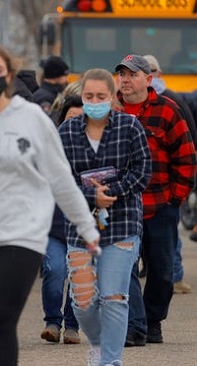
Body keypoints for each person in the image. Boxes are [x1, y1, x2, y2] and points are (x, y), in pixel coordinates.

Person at [0, 43, 100, 366]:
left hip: (22, 232)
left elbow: (60, 177)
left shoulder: (32, 118)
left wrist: (86, 225)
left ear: (9, 75)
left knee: (2, 319)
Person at [58, 68, 152, 366]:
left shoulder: (130, 127)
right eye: (89, 96)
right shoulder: (67, 132)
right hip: (80, 226)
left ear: (113, 97)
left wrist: (114, 190)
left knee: (114, 296)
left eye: (101, 96)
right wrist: (90, 197)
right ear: (81, 96)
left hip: (122, 222)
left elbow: (142, 170)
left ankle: (110, 360)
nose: (95, 101)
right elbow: (58, 179)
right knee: (83, 303)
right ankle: (99, 343)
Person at [115, 54, 196, 347]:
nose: (125, 80)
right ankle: (135, 324)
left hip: (159, 204)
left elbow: (186, 157)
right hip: (121, 207)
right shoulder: (110, 110)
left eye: (132, 75)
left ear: (148, 80)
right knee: (124, 268)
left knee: (162, 271)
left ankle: (153, 320)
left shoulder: (168, 110)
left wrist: (176, 198)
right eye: (121, 75)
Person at [143, 54, 196, 295]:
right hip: (138, 192)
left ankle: (174, 277)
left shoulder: (171, 100)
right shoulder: (124, 103)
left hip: (164, 191)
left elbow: (188, 142)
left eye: (152, 70)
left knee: (168, 241)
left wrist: (178, 193)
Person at [39, 95, 84, 346]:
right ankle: (53, 322)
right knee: (54, 271)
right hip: (54, 227)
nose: (75, 124)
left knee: (79, 277)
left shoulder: (96, 150)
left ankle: (73, 326)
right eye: (70, 118)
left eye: (81, 119)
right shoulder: (48, 148)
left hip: (82, 229)